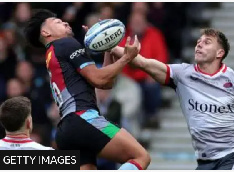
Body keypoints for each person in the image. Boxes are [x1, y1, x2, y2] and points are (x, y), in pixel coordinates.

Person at [110, 28, 234, 170]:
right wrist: (108, 44)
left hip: (233, 158)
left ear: (219, 53)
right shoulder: (182, 74)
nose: (199, 44)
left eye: (207, 42)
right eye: (198, 41)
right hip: (205, 161)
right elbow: (142, 62)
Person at [24, 9, 150, 170]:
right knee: (140, 157)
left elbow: (105, 84)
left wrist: (107, 48)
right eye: (57, 22)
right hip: (83, 118)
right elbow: (99, 78)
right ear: (45, 32)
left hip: (66, 131)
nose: (64, 22)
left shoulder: (53, 53)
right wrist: (126, 57)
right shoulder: (66, 43)